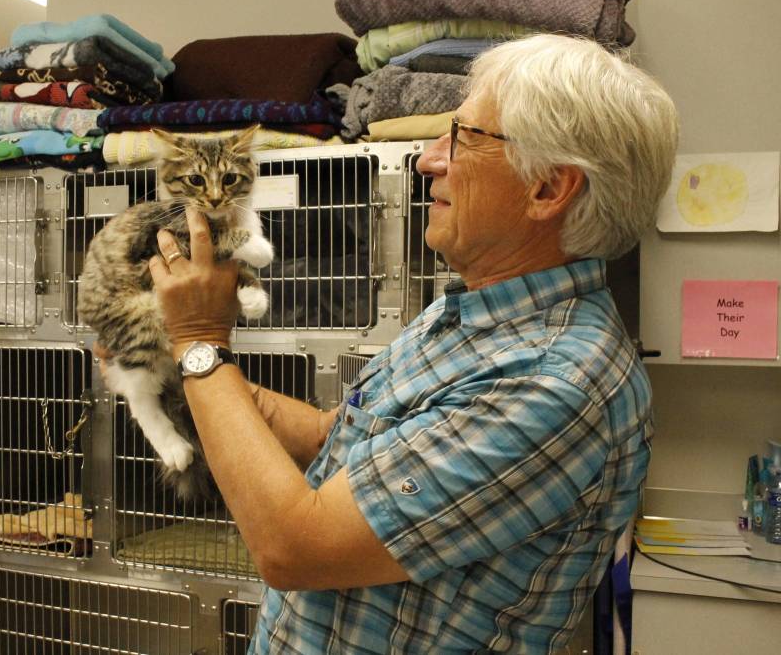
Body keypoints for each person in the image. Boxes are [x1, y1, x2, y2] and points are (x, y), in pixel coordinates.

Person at [116, 34, 678, 653]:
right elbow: (337, 437)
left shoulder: (554, 380)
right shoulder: (470, 312)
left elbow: (293, 549)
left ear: (548, 189)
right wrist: (180, 363)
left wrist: (202, 344)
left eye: (464, 138)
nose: (428, 159)